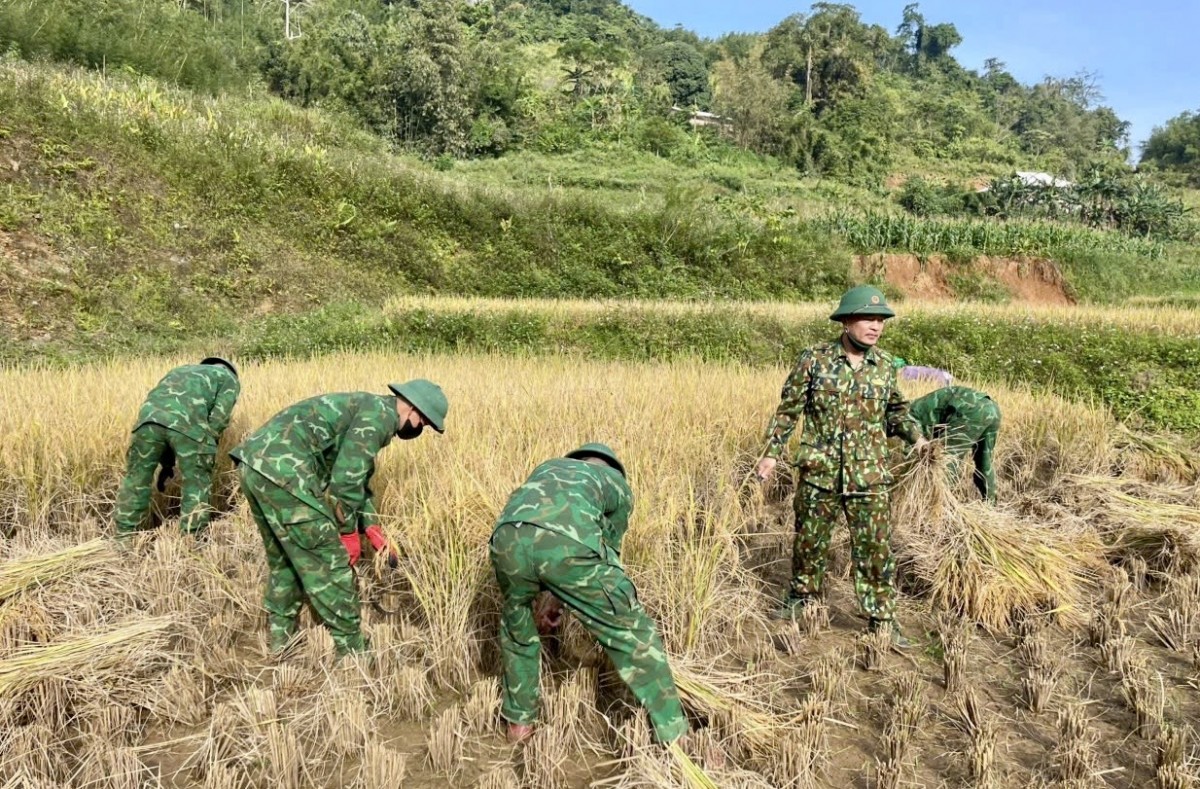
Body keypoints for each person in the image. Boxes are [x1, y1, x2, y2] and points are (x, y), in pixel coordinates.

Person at [755, 285, 927, 646]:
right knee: (809, 542)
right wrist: (771, 452)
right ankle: (802, 601)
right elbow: (789, 411)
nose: (876, 326)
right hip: (821, 472)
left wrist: (919, 441)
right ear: (846, 321)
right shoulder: (814, 360)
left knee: (875, 549)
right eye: (868, 318)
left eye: (881, 320)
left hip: (868, 476)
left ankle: (881, 619)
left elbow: (896, 413)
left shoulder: (884, 367)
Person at [489, 443, 688, 745]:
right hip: (569, 546)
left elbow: (538, 533)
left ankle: (519, 725)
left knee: (516, 627)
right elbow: (608, 551)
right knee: (633, 632)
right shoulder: (616, 484)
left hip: (506, 539)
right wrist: (614, 606)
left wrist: (554, 598)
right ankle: (675, 735)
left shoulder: (548, 466)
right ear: (612, 467)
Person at [230, 380, 448, 656]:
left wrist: (371, 527)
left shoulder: (371, 407)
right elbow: (345, 483)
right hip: (286, 473)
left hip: (254, 466)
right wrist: (347, 534)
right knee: (329, 562)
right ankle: (353, 651)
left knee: (286, 559)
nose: (420, 430)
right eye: (425, 424)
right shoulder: (379, 418)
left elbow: (358, 475)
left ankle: (280, 640)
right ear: (415, 412)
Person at [114, 357, 240, 537]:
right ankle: (192, 538)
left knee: (136, 479)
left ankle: (123, 536)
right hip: (189, 428)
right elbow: (219, 418)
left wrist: (166, 464)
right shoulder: (229, 378)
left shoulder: (179, 370)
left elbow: (166, 416)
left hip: (146, 423)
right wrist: (206, 447)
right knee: (196, 482)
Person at [908, 385, 1001, 504]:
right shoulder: (918, 407)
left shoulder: (909, 416)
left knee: (945, 460)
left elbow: (916, 447)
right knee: (984, 461)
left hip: (971, 410)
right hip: (992, 408)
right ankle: (990, 504)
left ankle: (942, 507)